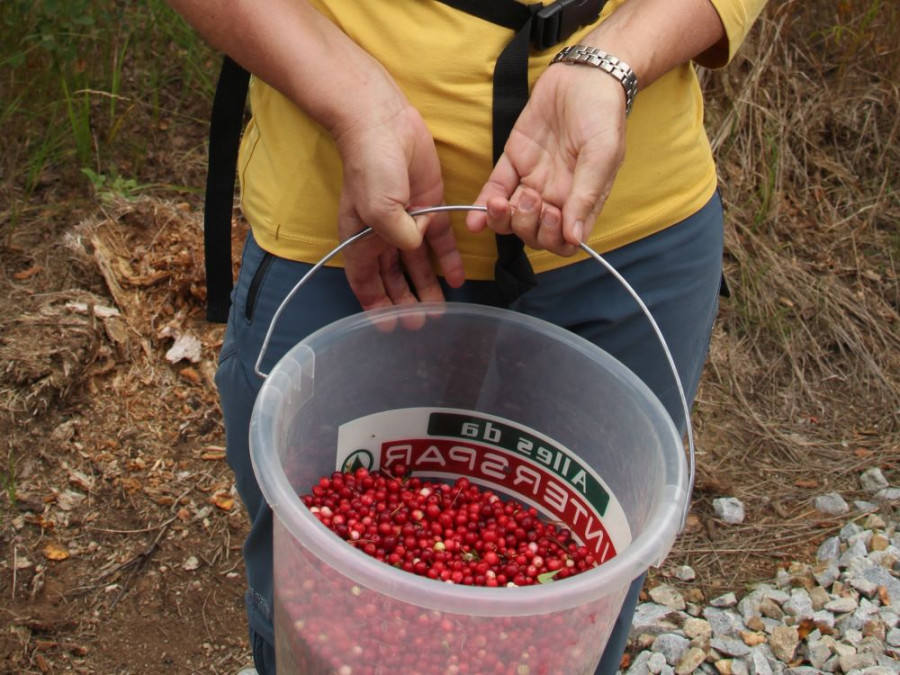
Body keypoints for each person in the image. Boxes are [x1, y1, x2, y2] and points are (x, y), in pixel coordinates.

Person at [166, 1, 768, 673]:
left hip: (626, 236)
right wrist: (351, 99)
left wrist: (613, 60)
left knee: (562, 625)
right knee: (327, 617)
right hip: (350, 233)